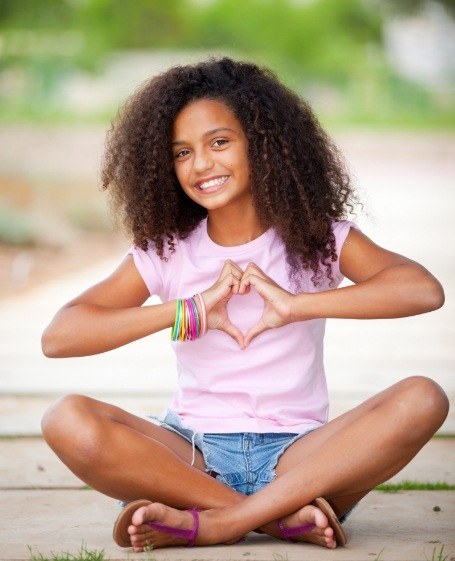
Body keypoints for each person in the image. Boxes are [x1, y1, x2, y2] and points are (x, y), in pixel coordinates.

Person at [41, 57, 448, 552]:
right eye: (182, 152)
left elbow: (422, 289)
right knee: (66, 419)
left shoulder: (318, 239)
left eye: (219, 142)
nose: (202, 164)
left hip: (300, 457)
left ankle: (214, 521)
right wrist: (186, 311)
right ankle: (277, 518)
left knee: (423, 397)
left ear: (263, 142)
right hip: (191, 452)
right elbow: (60, 336)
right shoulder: (168, 251)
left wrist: (298, 305)